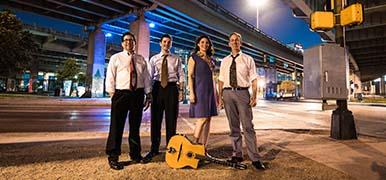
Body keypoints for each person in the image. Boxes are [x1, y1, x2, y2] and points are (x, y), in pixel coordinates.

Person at [218, 32, 266, 170]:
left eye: (237, 40)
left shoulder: (248, 59)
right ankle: (237, 154)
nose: (234, 42)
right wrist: (220, 98)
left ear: (241, 43)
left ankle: (255, 158)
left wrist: (254, 96)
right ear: (229, 43)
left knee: (247, 126)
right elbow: (221, 80)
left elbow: (253, 79)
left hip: (242, 93)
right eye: (232, 40)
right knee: (233, 127)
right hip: (227, 93)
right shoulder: (225, 61)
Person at [105, 32, 152, 170]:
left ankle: (135, 154)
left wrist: (148, 94)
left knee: (135, 126)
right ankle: (113, 156)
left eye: (131, 40)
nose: (128, 42)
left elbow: (146, 77)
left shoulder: (141, 59)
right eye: (125, 40)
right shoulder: (116, 58)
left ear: (135, 43)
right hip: (121, 94)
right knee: (116, 126)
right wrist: (112, 93)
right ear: (122, 43)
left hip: (137, 94)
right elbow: (110, 76)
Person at [143, 34, 184, 163]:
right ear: (160, 43)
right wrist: (148, 94)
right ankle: (154, 149)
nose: (166, 44)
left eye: (169, 42)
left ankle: (171, 148)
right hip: (157, 88)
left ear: (171, 44)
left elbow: (181, 75)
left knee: (171, 120)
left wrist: (181, 91)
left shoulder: (176, 59)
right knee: (156, 120)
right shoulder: (154, 59)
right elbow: (149, 77)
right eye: (164, 42)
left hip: (172, 88)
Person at [188, 35, 218, 146]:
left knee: (209, 119)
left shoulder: (211, 59)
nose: (204, 44)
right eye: (202, 42)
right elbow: (190, 76)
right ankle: (193, 146)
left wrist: (217, 94)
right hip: (199, 90)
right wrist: (191, 92)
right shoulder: (193, 57)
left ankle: (204, 148)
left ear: (209, 45)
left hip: (210, 91)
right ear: (198, 44)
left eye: (206, 42)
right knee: (202, 118)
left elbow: (212, 78)